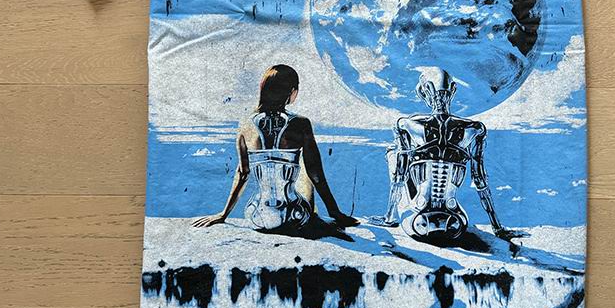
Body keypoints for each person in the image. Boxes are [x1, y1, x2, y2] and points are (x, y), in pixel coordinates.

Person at [192, 64, 358, 231]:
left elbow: (242, 173)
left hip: (256, 215)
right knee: (307, 171)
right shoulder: (300, 123)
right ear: (291, 92)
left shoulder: (245, 124)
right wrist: (334, 212)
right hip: (293, 215)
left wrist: (223, 214)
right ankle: (325, 215)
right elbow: (316, 175)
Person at [372, 68, 506, 243]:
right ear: (453, 91)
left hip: (417, 222)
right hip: (456, 224)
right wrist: (498, 228)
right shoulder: (474, 128)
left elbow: (399, 176)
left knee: (393, 152)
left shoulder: (406, 124)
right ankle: (496, 228)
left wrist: (389, 218)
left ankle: (390, 217)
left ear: (425, 92)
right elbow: (480, 180)